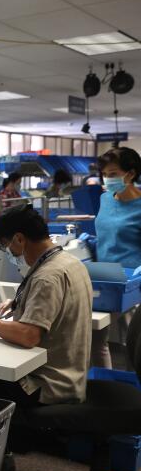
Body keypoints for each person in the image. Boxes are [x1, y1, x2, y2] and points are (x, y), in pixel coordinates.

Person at [0, 205, 92, 409]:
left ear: (20, 239)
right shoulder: (70, 262)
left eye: (7, 245)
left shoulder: (47, 277)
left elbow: (28, 336)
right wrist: (20, 302)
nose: (10, 253)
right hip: (71, 376)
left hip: (45, 385)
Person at [92, 147, 141, 368]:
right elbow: (104, 234)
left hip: (133, 285)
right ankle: (105, 391)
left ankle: (133, 392)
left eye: (112, 174)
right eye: (104, 174)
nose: (107, 179)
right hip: (105, 280)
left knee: (131, 344)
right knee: (98, 338)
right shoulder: (105, 198)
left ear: (130, 174)